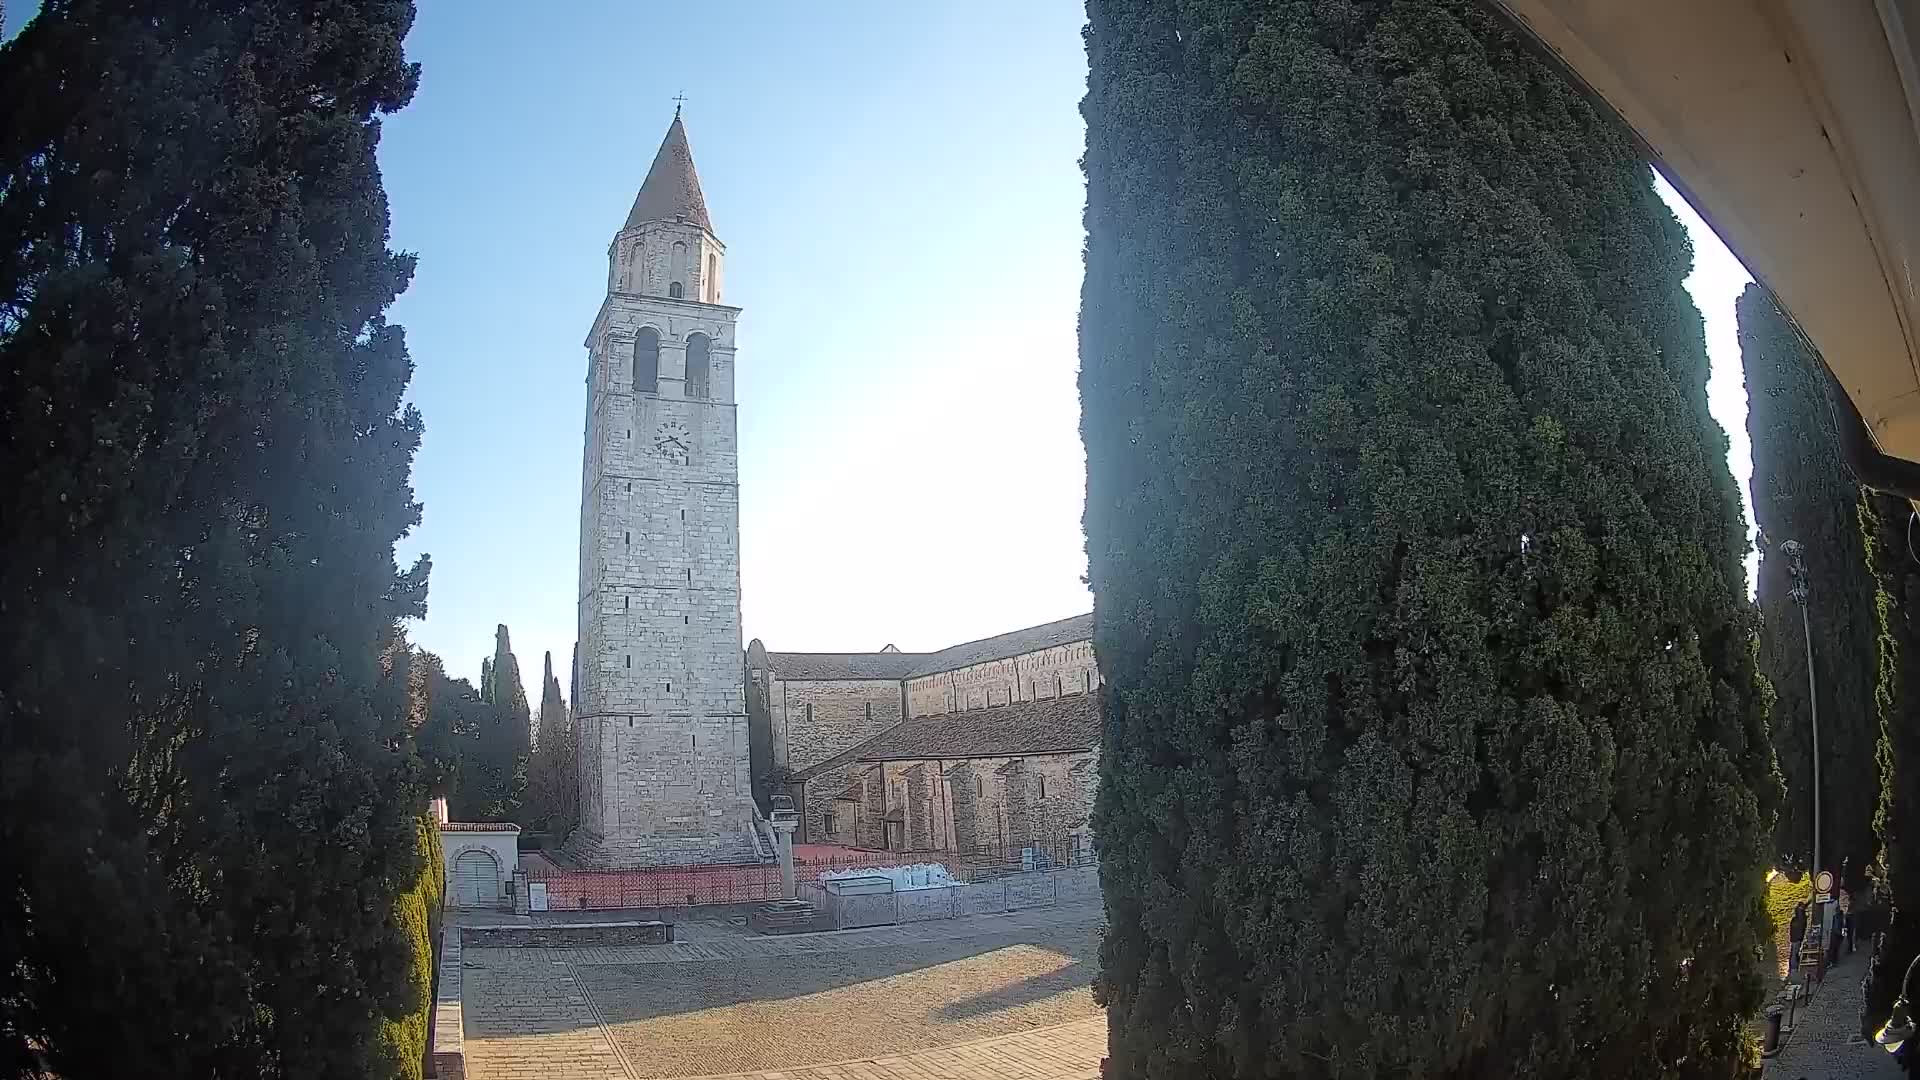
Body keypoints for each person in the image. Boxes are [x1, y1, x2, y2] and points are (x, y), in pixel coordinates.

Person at [1789, 900, 1809, 976]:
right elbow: (1802, 922)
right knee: (1795, 953)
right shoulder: (1801, 917)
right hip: (1797, 938)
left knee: (1793, 952)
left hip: (1794, 937)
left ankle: (1792, 968)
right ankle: (1794, 969)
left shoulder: (1795, 918)